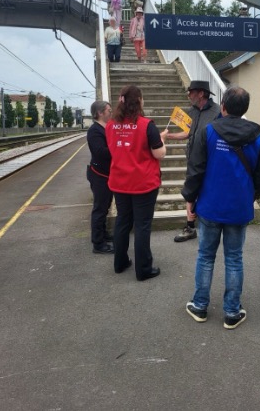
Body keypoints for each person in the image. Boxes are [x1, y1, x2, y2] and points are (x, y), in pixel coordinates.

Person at [182, 86, 260, 329]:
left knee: (205, 256)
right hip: (238, 208)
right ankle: (232, 312)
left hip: (210, 206)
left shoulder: (208, 131)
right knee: (234, 259)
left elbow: (196, 168)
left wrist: (190, 199)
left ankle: (199, 306)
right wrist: (253, 193)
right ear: (245, 109)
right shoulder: (258, 137)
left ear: (222, 106)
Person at [106, 85, 168, 281]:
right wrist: (161, 140)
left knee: (123, 221)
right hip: (143, 182)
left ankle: (120, 262)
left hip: (119, 181)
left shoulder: (110, 125)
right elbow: (159, 153)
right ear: (139, 101)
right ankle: (143, 269)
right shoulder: (146, 125)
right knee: (142, 225)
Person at [166, 80, 220, 243]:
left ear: (201, 94)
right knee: (190, 192)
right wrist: (169, 136)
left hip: (210, 161)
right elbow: (188, 133)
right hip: (192, 159)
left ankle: (211, 224)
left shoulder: (217, 112)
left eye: (191, 92)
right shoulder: (191, 111)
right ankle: (189, 227)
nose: (188, 95)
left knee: (208, 191)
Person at [86, 101, 115, 254]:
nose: (111, 113)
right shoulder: (94, 131)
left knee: (105, 207)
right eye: (109, 110)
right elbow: (101, 152)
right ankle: (98, 243)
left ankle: (103, 234)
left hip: (106, 174)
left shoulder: (105, 128)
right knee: (100, 208)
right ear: (100, 113)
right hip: (99, 175)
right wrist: (118, 147)